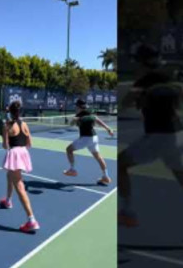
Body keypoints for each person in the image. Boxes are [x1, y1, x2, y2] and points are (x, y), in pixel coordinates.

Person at [118, 43, 183, 227]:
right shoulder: (169, 77)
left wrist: (139, 94)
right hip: (177, 134)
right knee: (180, 175)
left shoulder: (144, 81)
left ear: (142, 62)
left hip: (159, 136)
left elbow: (125, 103)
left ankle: (127, 212)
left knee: (121, 163)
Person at [0, 101, 40, 233]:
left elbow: (5, 146)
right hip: (23, 153)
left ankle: (31, 220)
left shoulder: (7, 125)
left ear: (10, 112)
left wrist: (7, 135)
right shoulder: (25, 124)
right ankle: (8, 201)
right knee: (9, 176)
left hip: (15, 153)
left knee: (20, 186)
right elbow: (29, 144)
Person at [63, 99, 114, 185]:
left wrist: (74, 120)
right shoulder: (90, 113)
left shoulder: (80, 115)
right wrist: (108, 128)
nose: (76, 107)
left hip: (86, 138)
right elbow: (97, 120)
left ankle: (72, 170)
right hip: (94, 138)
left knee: (69, 149)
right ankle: (106, 176)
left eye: (76, 106)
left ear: (79, 107)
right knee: (98, 157)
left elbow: (72, 124)